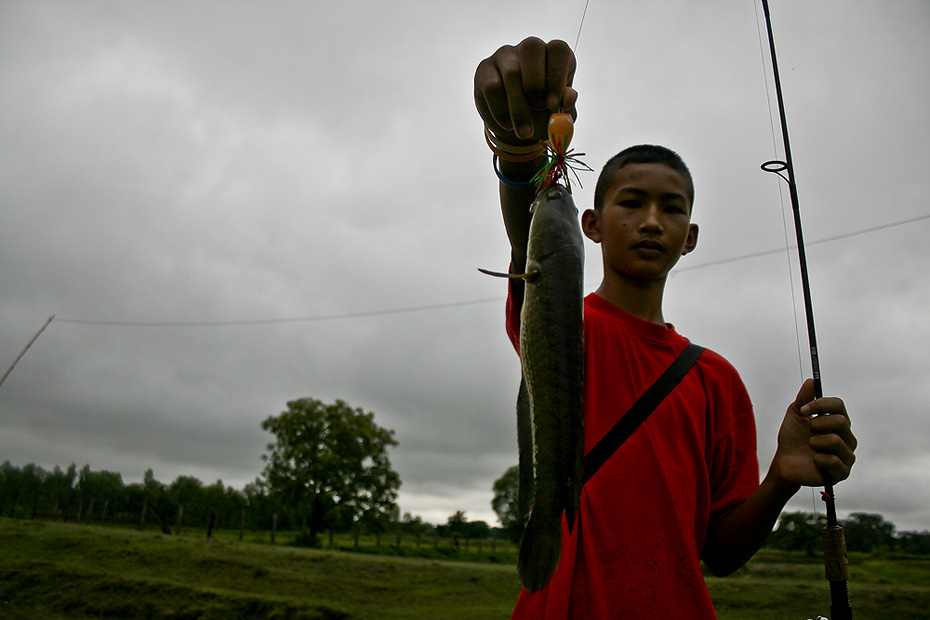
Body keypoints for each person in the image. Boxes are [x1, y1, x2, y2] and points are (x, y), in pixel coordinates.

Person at [474, 37, 858, 619]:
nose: (652, 220)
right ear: (592, 224)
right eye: (632, 202)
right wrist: (518, 148)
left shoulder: (717, 381)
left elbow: (721, 553)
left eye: (672, 208)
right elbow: (526, 223)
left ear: (691, 235)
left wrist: (780, 478)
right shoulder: (560, 319)